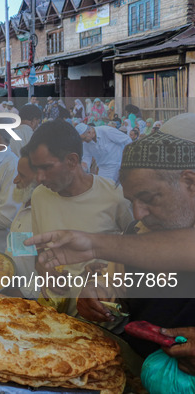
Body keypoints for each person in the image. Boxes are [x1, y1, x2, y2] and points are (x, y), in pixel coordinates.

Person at [25, 132, 195, 365]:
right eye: (132, 200)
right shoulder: (137, 231)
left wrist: (93, 244)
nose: (138, 213)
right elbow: (116, 289)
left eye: (150, 198)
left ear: (190, 182)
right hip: (134, 372)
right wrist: (95, 294)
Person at [26, 119, 133, 316]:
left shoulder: (114, 197)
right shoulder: (39, 196)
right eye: (36, 169)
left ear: (72, 161)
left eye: (46, 168)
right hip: (54, 313)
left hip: (98, 320)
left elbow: (137, 252)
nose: (39, 178)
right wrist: (43, 269)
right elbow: (40, 248)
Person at [6, 145, 39, 298]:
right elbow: (22, 253)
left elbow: (56, 272)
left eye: (22, 176)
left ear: (41, 177)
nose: (15, 180)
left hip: (30, 301)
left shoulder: (43, 214)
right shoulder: (26, 201)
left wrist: (20, 293)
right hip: (13, 289)